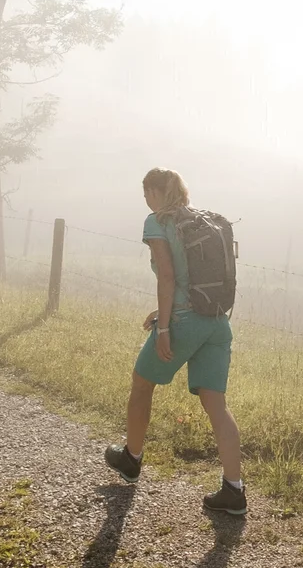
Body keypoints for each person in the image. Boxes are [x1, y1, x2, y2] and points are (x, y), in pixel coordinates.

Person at [103, 168, 246, 517]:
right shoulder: (202, 220)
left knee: (142, 383)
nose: (146, 200)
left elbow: (167, 275)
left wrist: (164, 327)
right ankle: (234, 490)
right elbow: (189, 278)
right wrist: (163, 311)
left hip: (183, 322)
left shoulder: (157, 222)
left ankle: (131, 458)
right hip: (216, 322)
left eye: (146, 193)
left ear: (154, 192)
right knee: (216, 404)